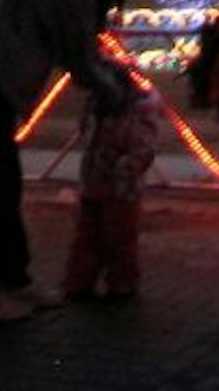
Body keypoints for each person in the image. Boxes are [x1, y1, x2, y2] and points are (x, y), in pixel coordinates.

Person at [0, 0, 135, 323]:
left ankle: (16, 279)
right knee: (4, 185)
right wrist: (115, 92)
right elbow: (80, 60)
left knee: (7, 180)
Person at [63, 59, 159, 301]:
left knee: (117, 237)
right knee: (89, 235)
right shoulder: (100, 110)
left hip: (119, 187)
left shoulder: (130, 115)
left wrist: (121, 169)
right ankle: (85, 279)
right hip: (99, 182)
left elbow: (142, 151)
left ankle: (116, 281)